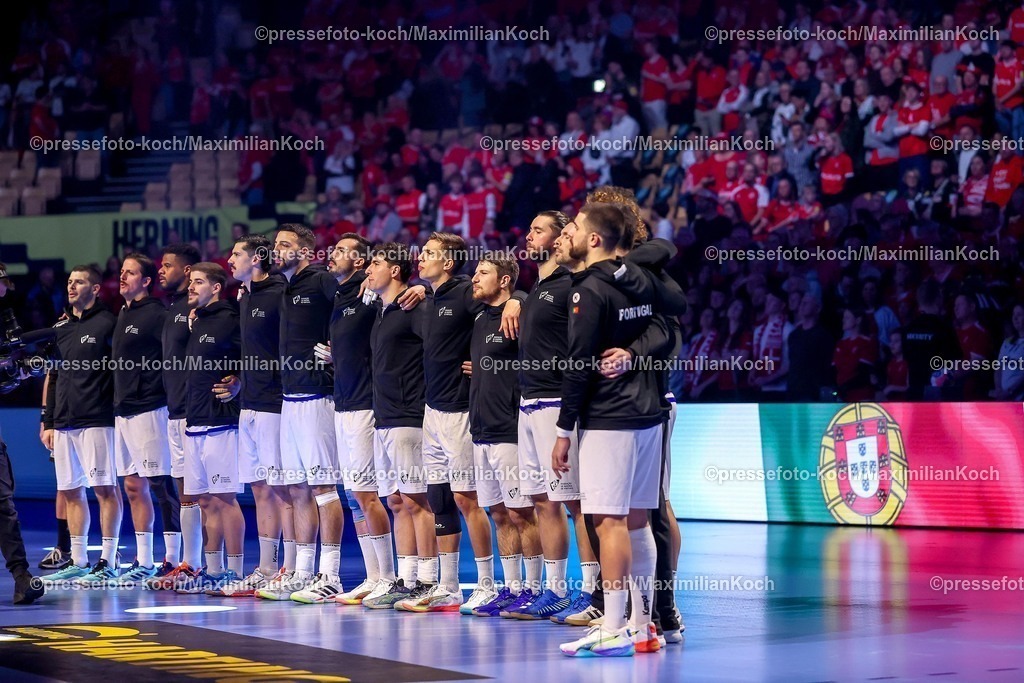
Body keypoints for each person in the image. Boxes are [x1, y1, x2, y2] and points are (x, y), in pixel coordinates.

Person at [554, 203, 663, 657]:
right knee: (637, 522)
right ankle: (642, 626)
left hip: (610, 417)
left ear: (594, 239)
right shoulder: (640, 279)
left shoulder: (588, 289)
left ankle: (613, 625)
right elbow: (665, 326)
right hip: (647, 413)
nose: (572, 232)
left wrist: (564, 428)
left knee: (609, 521)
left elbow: (579, 365)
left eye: (576, 227)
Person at [257, 224, 342, 602]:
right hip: (289, 399)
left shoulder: (323, 281)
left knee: (324, 487)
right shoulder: (285, 289)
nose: (278, 250)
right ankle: (303, 572)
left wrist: (340, 351)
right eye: (276, 245)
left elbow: (363, 307)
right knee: (297, 488)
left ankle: (331, 576)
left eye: (286, 245)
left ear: (306, 251)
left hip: (318, 395)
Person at [465, 253, 543, 617]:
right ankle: (512, 588)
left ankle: (536, 588)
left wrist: (520, 298)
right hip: (480, 431)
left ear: (505, 281)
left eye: (483, 273)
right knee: (497, 513)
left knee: (522, 513)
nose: (474, 278)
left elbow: (533, 300)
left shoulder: (520, 311)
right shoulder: (480, 317)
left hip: (509, 431)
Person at [217, 235, 291, 597]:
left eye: (236, 254)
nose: (229, 259)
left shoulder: (279, 292)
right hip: (250, 404)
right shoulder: (245, 297)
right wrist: (240, 381)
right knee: (261, 489)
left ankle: (291, 570)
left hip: (275, 406)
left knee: (283, 489)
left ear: (258, 259)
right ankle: (266, 568)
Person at [41, 266, 124, 586]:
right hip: (63, 422)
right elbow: (55, 375)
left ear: (95, 288)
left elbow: (119, 372)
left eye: (79, 282)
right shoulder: (60, 327)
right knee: (71, 491)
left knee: (105, 489)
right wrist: (47, 420)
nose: (72, 286)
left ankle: (108, 560)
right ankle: (77, 560)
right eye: (69, 282)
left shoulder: (108, 324)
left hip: (97, 420)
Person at [173, 263, 245, 594]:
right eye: (190, 282)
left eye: (198, 282)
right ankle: (213, 571)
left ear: (216, 287)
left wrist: (239, 382)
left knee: (225, 499)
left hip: (222, 423)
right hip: (195, 422)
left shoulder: (231, 319)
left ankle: (235, 572)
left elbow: (253, 358)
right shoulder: (197, 320)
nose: (191, 287)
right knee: (204, 501)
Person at [111, 253, 181, 585]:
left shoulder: (157, 315)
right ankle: (144, 559)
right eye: (122, 272)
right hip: (124, 412)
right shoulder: (123, 314)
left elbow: (173, 357)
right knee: (132, 486)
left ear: (147, 281)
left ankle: (173, 559)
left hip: (151, 409)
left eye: (131, 273)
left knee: (161, 485)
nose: (123, 277)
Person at [146, 243, 204, 590]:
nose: (161, 271)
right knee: (184, 492)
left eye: (167, 266)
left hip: (199, 413)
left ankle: (207, 566)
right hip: (174, 410)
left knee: (205, 493)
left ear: (186, 270)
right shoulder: (172, 309)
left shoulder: (202, 309)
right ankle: (190, 563)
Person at [0, 267, 44, 604]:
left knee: (3, 504)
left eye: (3, 282)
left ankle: (21, 575)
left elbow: (10, 379)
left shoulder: (7, 318)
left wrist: (24, 369)